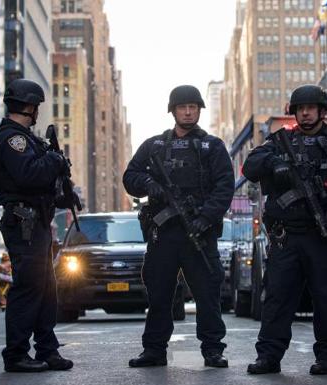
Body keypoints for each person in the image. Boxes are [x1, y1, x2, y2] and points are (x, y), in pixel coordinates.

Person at [243, 85, 327, 375]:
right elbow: (250, 166)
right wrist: (274, 163)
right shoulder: (280, 141)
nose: (306, 113)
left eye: (311, 108)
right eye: (300, 108)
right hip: (287, 236)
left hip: (323, 235)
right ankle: (269, 357)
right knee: (277, 298)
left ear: (323, 111)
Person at [123, 85, 234, 368]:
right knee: (159, 295)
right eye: (183, 107)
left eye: (193, 107)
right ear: (173, 110)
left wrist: (205, 218)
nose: (188, 111)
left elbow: (224, 187)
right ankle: (154, 350)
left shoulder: (212, 146)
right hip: (164, 234)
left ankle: (212, 350)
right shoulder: (155, 145)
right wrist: (149, 185)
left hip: (199, 233)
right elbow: (130, 177)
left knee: (207, 295)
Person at [0, 78, 72, 373]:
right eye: (36, 107)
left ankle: (48, 349)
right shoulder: (13, 139)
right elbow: (29, 175)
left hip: (36, 220)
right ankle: (16, 353)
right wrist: (54, 160)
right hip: (24, 221)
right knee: (29, 287)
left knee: (46, 288)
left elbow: (42, 178)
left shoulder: (25, 137)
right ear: (30, 106)